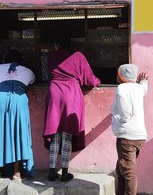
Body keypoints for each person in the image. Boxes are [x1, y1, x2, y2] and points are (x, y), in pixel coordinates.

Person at [42, 39, 101, 182]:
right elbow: (90, 80)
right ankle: (65, 172)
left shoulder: (51, 56)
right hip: (71, 94)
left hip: (54, 92)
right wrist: (97, 81)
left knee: (55, 132)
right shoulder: (78, 56)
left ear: (58, 45)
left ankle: (51, 172)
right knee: (67, 133)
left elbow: (46, 74)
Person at [111, 63, 148, 195]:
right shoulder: (138, 88)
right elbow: (144, 88)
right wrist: (143, 81)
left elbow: (124, 110)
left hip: (127, 137)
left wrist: (124, 118)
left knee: (128, 172)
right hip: (139, 137)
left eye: (118, 74)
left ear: (121, 76)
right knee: (121, 168)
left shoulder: (122, 88)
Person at [0, 49, 36, 180]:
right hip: (19, 100)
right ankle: (17, 173)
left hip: (0, 99)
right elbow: (32, 82)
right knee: (18, 135)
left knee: (1, 134)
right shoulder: (28, 71)